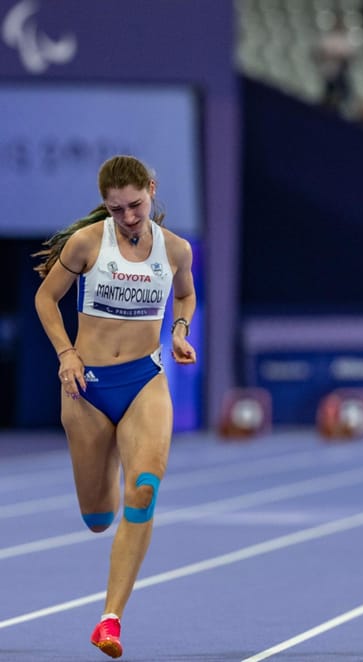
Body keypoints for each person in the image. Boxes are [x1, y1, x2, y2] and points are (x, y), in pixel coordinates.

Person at [33, 155, 197, 658]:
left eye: (135, 205)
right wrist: (66, 354)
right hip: (86, 389)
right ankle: (101, 483)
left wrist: (179, 331)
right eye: (116, 208)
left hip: (143, 381)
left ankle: (110, 619)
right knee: (100, 516)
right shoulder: (88, 243)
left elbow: (186, 297)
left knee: (144, 489)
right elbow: (45, 299)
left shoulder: (175, 250)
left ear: (152, 189)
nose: (127, 217)